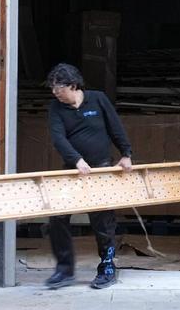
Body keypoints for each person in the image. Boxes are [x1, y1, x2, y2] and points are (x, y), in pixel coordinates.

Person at [45, 62, 133, 290]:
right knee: (57, 216)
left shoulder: (98, 99)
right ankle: (64, 270)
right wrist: (76, 160)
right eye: (53, 89)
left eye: (59, 89)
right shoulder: (56, 108)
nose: (55, 93)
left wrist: (126, 153)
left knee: (103, 221)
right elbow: (58, 138)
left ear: (73, 86)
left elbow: (115, 126)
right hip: (72, 169)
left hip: (101, 169)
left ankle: (107, 267)